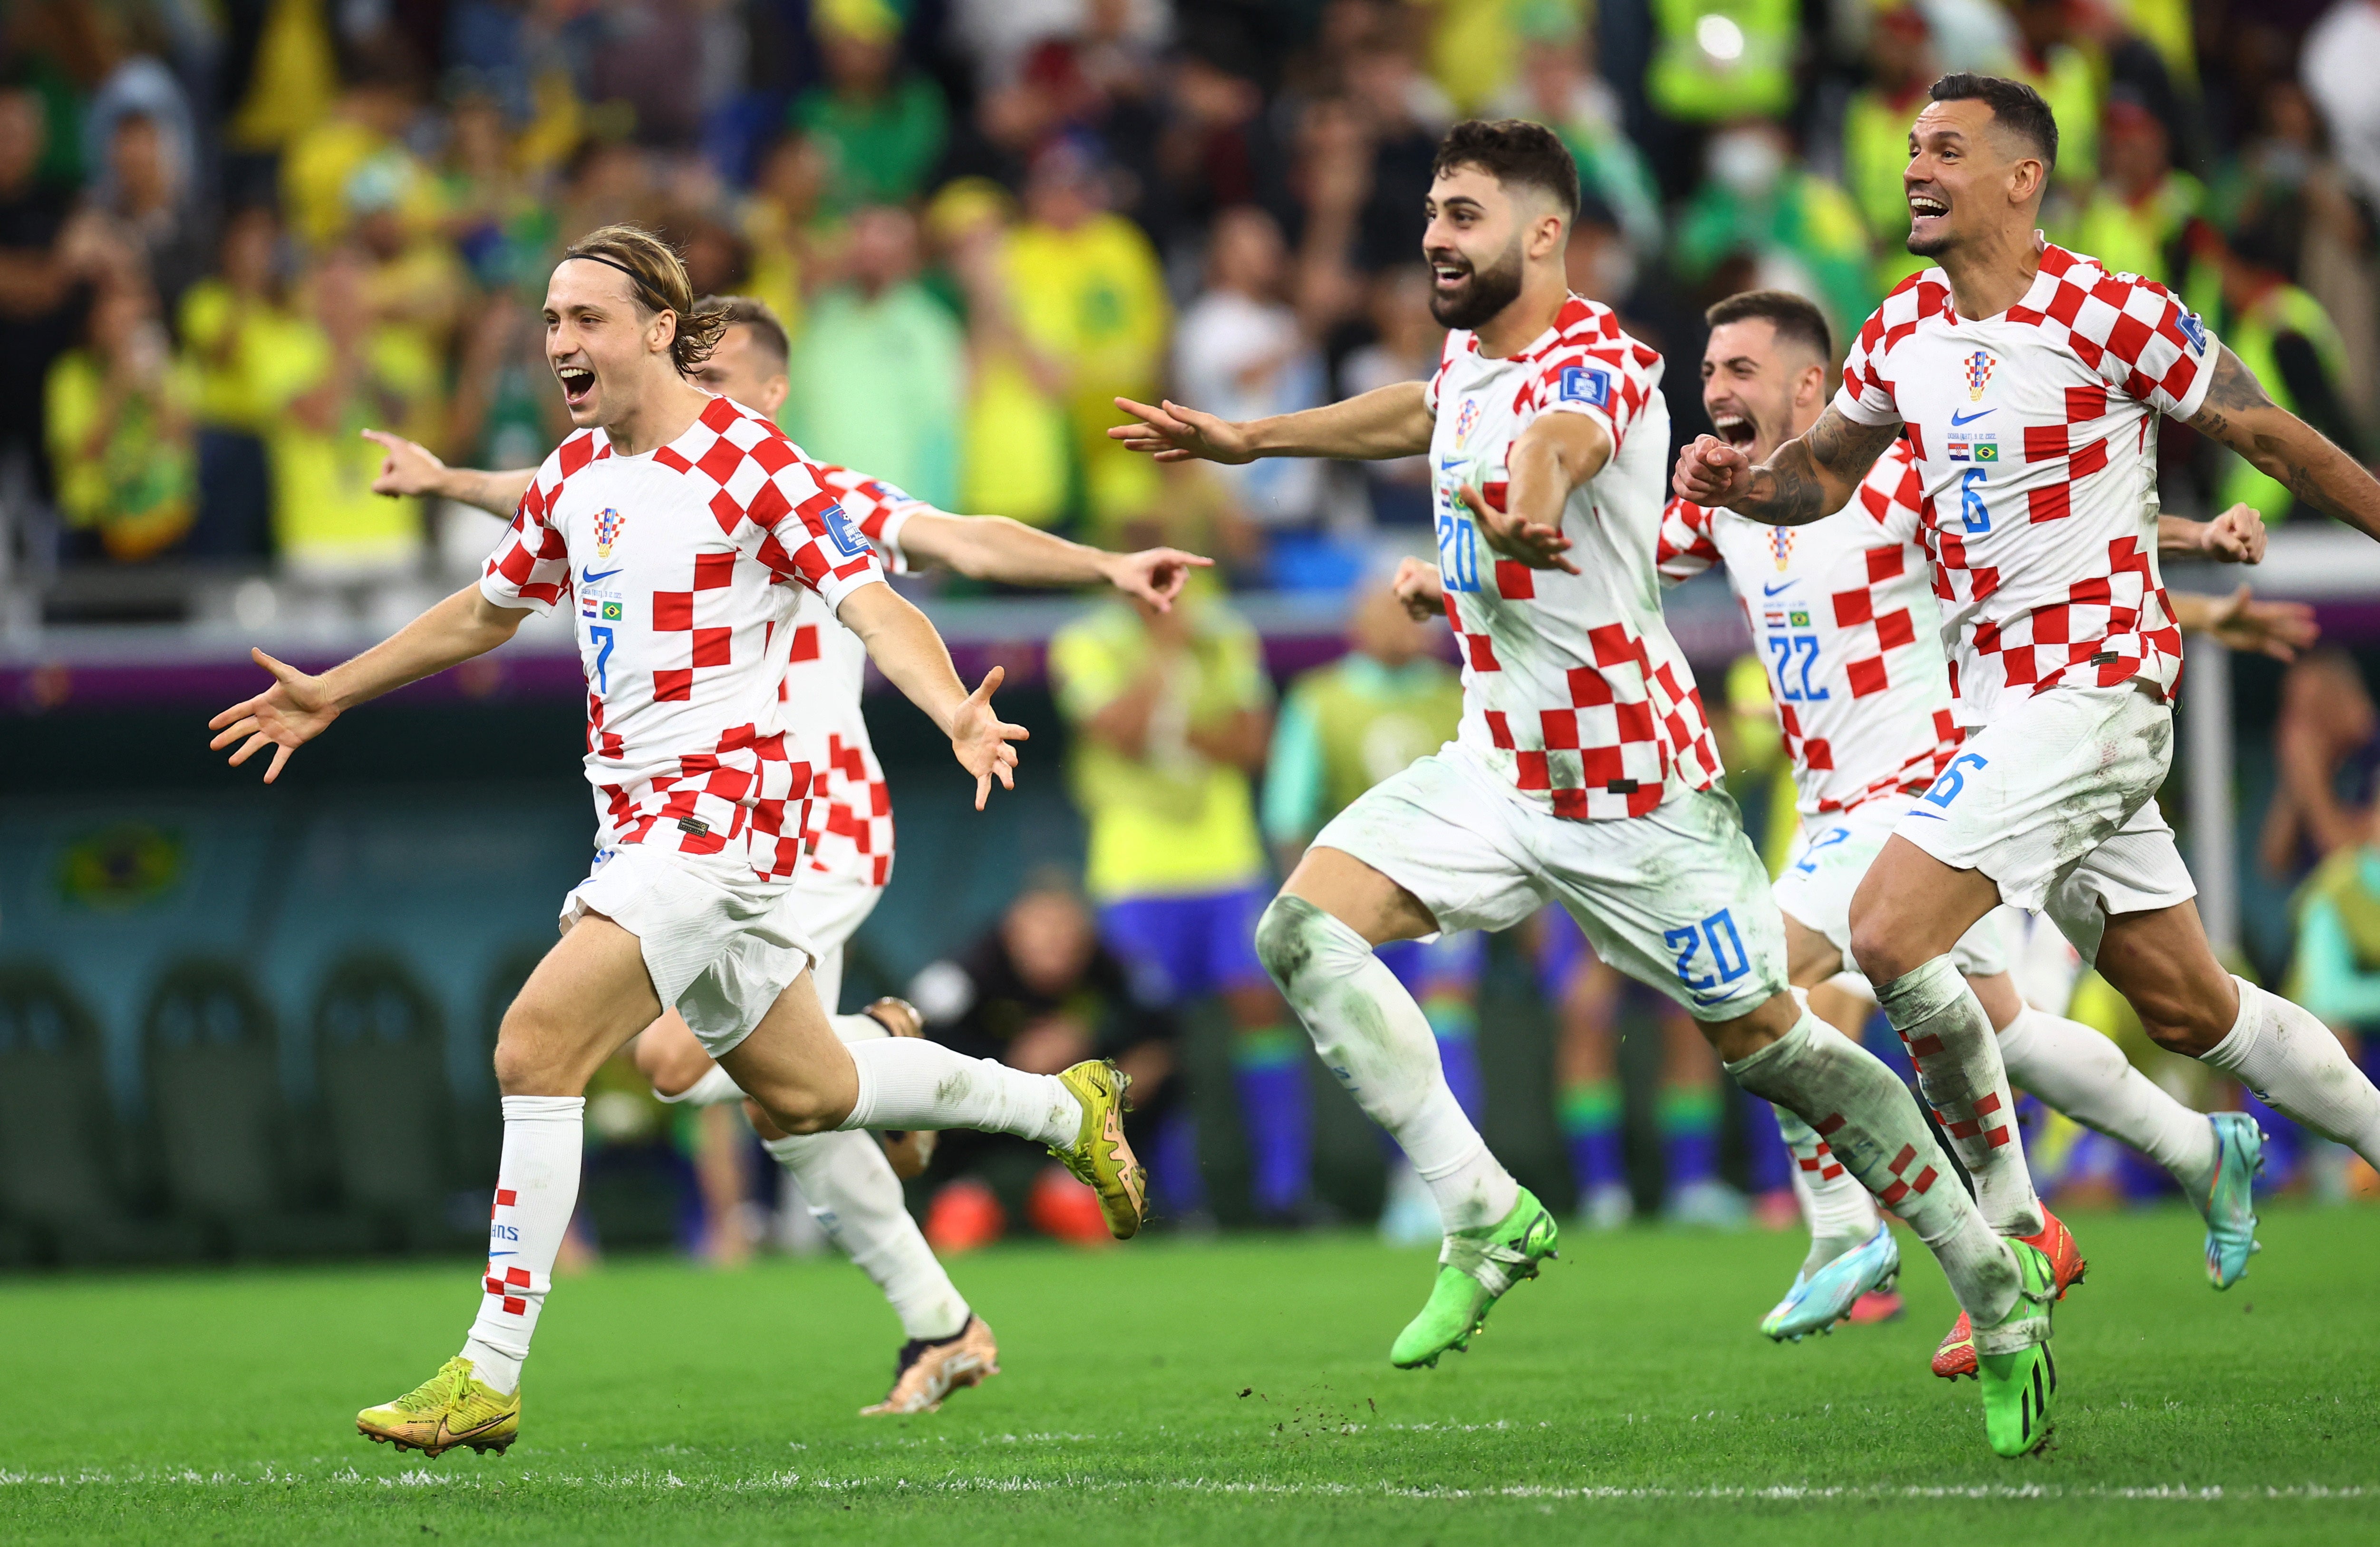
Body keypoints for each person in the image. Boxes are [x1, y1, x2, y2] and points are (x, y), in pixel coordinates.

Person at [1113, 118, 2062, 1459]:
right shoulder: (1462, 358)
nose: (1435, 237)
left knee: (1778, 1052)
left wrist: (1523, 499)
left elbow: (1554, 444)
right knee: (1300, 929)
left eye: (1462, 216)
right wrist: (1252, 438)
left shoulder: (1604, 362)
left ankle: (1988, 1270)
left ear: (1542, 234)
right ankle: (1481, 1211)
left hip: (1634, 794)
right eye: (1433, 212)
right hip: (1495, 764)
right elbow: (1422, 409)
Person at [209, 225, 1150, 1458]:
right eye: (551, 321)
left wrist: (950, 710)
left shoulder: (755, 467)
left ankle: (486, 1370)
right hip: (644, 828)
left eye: (585, 319)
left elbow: (878, 599)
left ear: (660, 327)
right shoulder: (573, 476)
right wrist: (336, 686)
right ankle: (1058, 1109)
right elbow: (484, 611)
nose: (559, 343)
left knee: (535, 1041)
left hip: (731, 822)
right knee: (812, 1090)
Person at [1674, 74, 2380, 1411]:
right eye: (1907, 150)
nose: (1915, 169)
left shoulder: (2107, 311)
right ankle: (2227, 1149)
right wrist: (1739, 482)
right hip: (2004, 718)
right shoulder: (1896, 335)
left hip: (2097, 691)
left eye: (1946, 149)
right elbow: (1816, 475)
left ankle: (2003, 1251)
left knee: (1886, 934)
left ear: (2020, 177)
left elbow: (2268, 435)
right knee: (2190, 1004)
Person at [1049, 583, 1302, 1223]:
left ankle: (1282, 1192)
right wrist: (1163, 656)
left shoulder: (1225, 633)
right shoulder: (1085, 641)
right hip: (1136, 870)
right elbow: (1121, 734)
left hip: (1226, 862)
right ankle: (1158, 1195)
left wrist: (1182, 728)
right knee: (1144, 1029)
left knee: (1256, 1007)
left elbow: (1254, 745)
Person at [1263, 574, 1478, 1242]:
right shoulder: (1321, 699)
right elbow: (1287, 813)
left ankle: (1455, 1186)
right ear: (1355, 625)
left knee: (1447, 1032)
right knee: (1379, 1043)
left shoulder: (1457, 694)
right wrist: (1300, 913)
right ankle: (1396, 1180)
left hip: (1442, 900)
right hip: (1356, 903)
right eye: (1382, 616)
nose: (1400, 629)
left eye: (1409, 616)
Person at [907, 873, 1183, 1250]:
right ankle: (963, 1192)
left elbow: (1162, 1042)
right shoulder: (969, 972)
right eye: (1042, 928)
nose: (1055, 941)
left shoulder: (1115, 970)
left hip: (1079, 1145)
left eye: (1066, 930)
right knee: (959, 1215)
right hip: (980, 1144)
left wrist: (1097, 1058)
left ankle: (1090, 1191)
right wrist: (1010, 1065)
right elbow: (913, 1047)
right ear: (1013, 929)